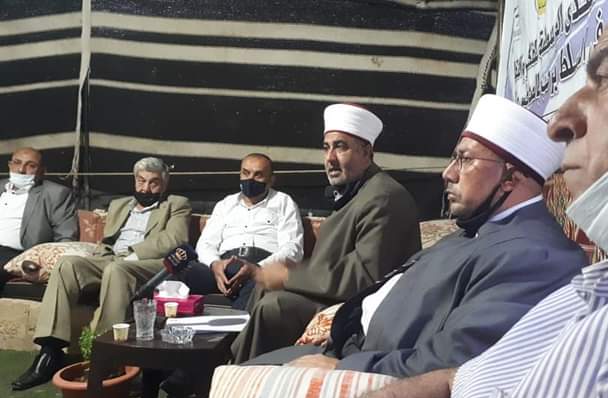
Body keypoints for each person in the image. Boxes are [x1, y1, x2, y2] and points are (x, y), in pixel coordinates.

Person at [336, 0, 608, 398]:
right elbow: (458, 383)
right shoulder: (592, 289)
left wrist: (338, 372)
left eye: (607, 78)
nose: (560, 123)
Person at [242, 95, 587, 378]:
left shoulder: (535, 256)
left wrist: (344, 369)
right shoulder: (476, 230)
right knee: (232, 371)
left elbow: (455, 361)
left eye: (464, 160)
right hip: (346, 345)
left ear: (510, 179)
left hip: (368, 370)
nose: (447, 173)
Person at [230, 103, 422, 363]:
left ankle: (243, 375)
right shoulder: (358, 191)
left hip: (359, 310)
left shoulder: (384, 197)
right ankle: (234, 365)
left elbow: (366, 276)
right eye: (326, 147)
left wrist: (290, 275)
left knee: (273, 308)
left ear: (367, 152)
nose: (330, 158)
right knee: (263, 287)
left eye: (340, 147)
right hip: (336, 297)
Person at [12, 156, 191, 391]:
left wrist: (133, 255)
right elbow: (107, 242)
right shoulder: (120, 205)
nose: (146, 188)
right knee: (67, 264)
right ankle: (50, 351)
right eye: (141, 181)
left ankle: (107, 356)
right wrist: (102, 256)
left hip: (149, 264)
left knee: (117, 269)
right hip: (111, 259)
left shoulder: (177, 204)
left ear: (164, 184)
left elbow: (174, 239)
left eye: (153, 183)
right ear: (134, 180)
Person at [181, 153, 303, 309]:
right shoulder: (226, 204)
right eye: (246, 173)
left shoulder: (283, 202)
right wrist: (214, 264)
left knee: (258, 282)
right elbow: (206, 243)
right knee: (186, 271)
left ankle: (239, 323)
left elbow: (293, 249)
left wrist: (256, 269)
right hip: (225, 265)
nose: (250, 179)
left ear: (271, 180)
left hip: (262, 265)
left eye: (258, 175)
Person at [0, 148, 77, 286]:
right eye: (17, 163)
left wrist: (49, 263)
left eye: (31, 166)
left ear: (42, 171)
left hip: (19, 254)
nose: (21, 170)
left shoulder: (56, 194)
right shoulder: (1, 187)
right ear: (10, 165)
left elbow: (66, 237)